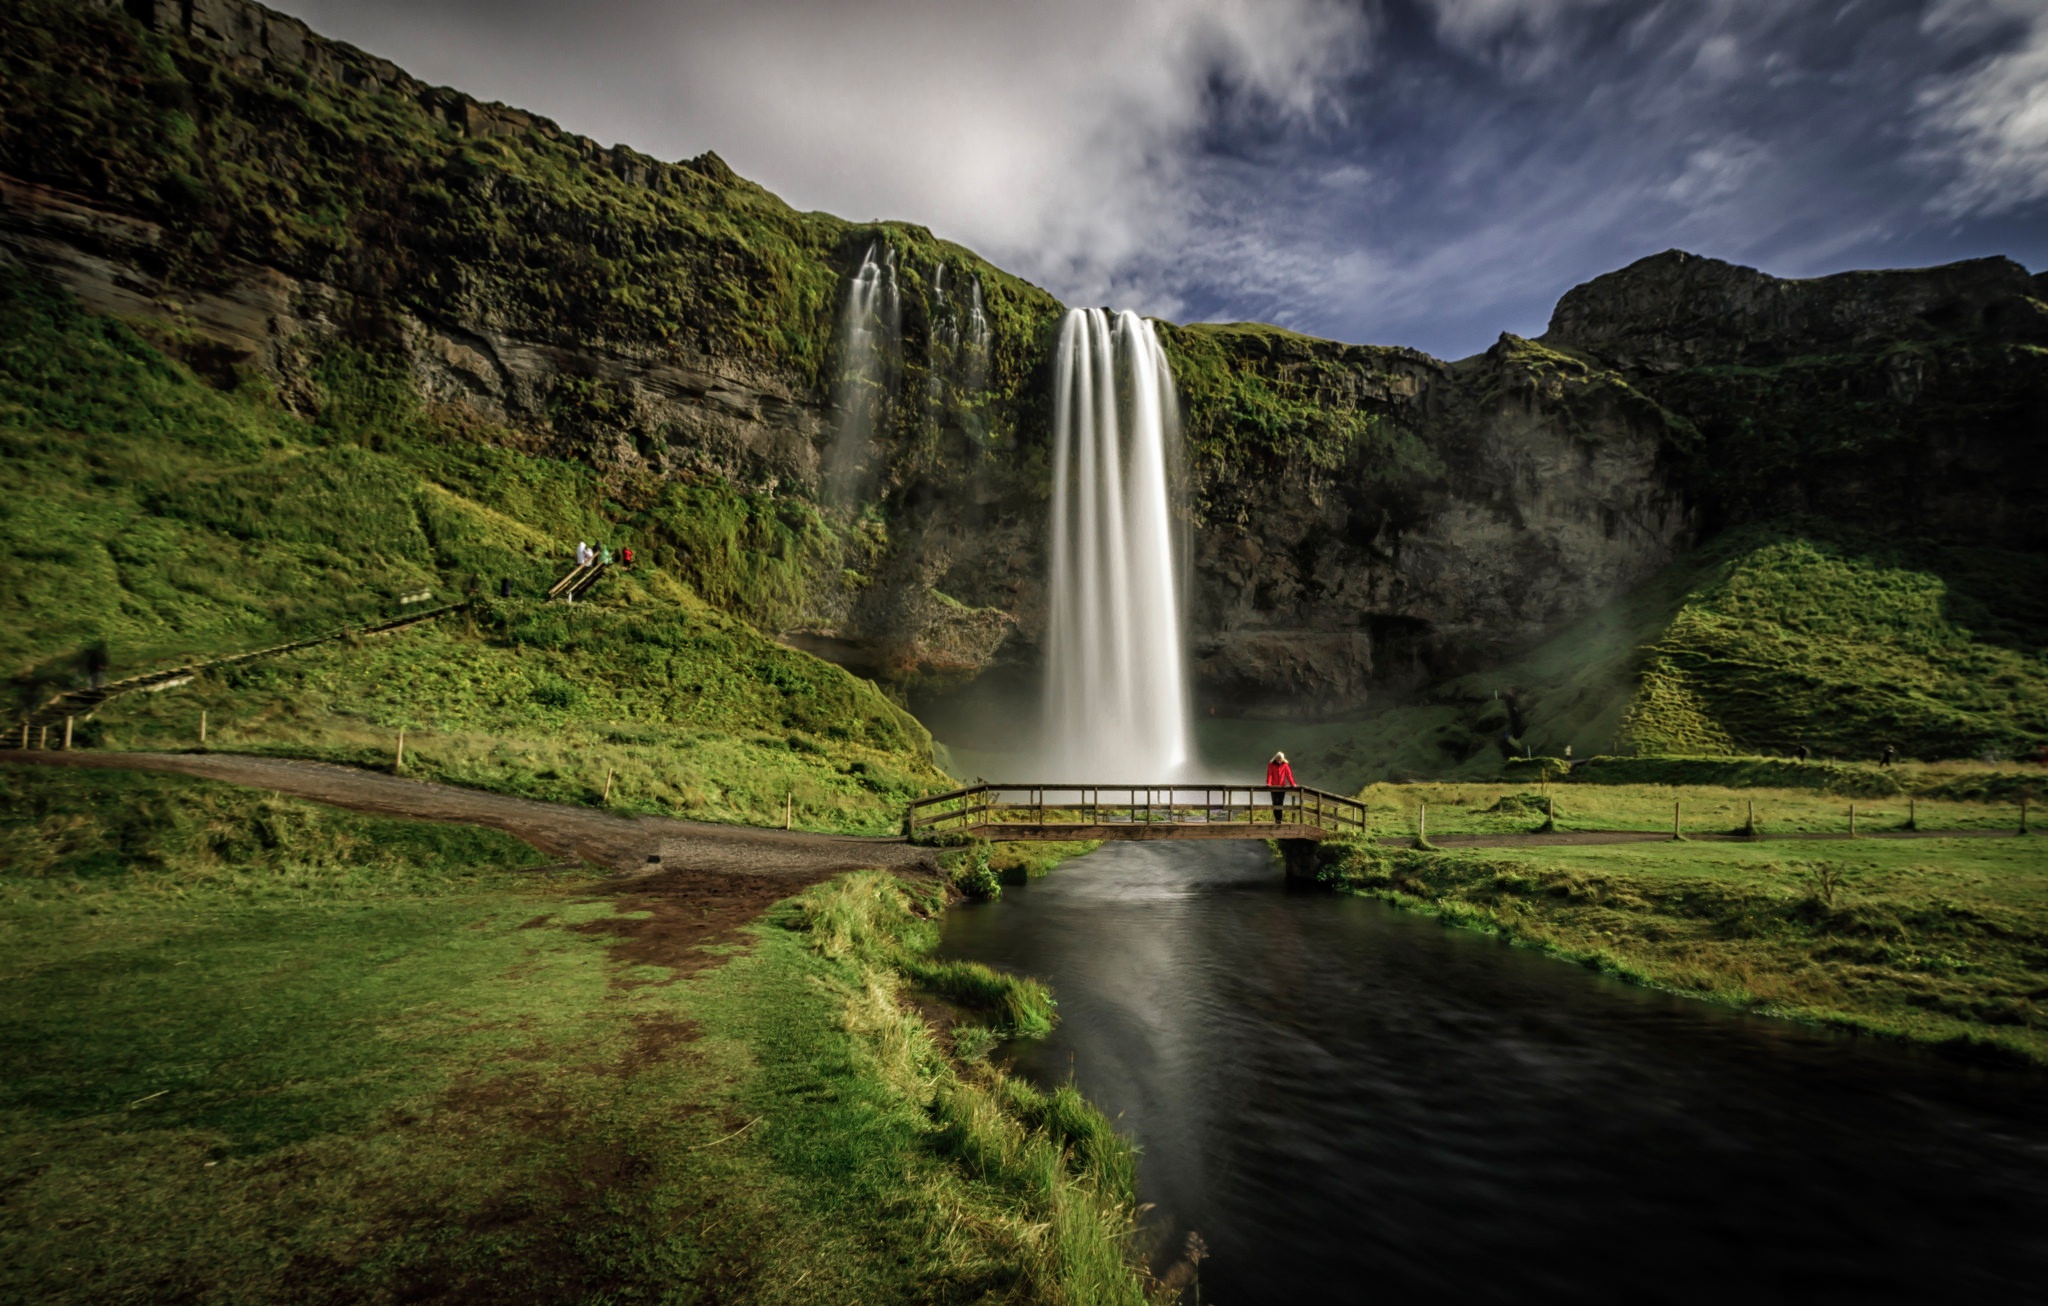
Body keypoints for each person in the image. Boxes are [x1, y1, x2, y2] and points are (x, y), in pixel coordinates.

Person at [1266, 751, 1296, 823]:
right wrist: (1269, 783)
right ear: (1275, 758)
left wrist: (1292, 784)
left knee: (1280, 802)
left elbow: (1289, 775)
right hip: (1274, 787)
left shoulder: (1285, 765)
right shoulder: (1271, 765)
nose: (1279, 760)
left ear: (1282, 759)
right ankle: (1277, 818)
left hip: (1282, 787)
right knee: (1275, 802)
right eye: (1278, 759)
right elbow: (1269, 774)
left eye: (1280, 759)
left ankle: (1279, 819)